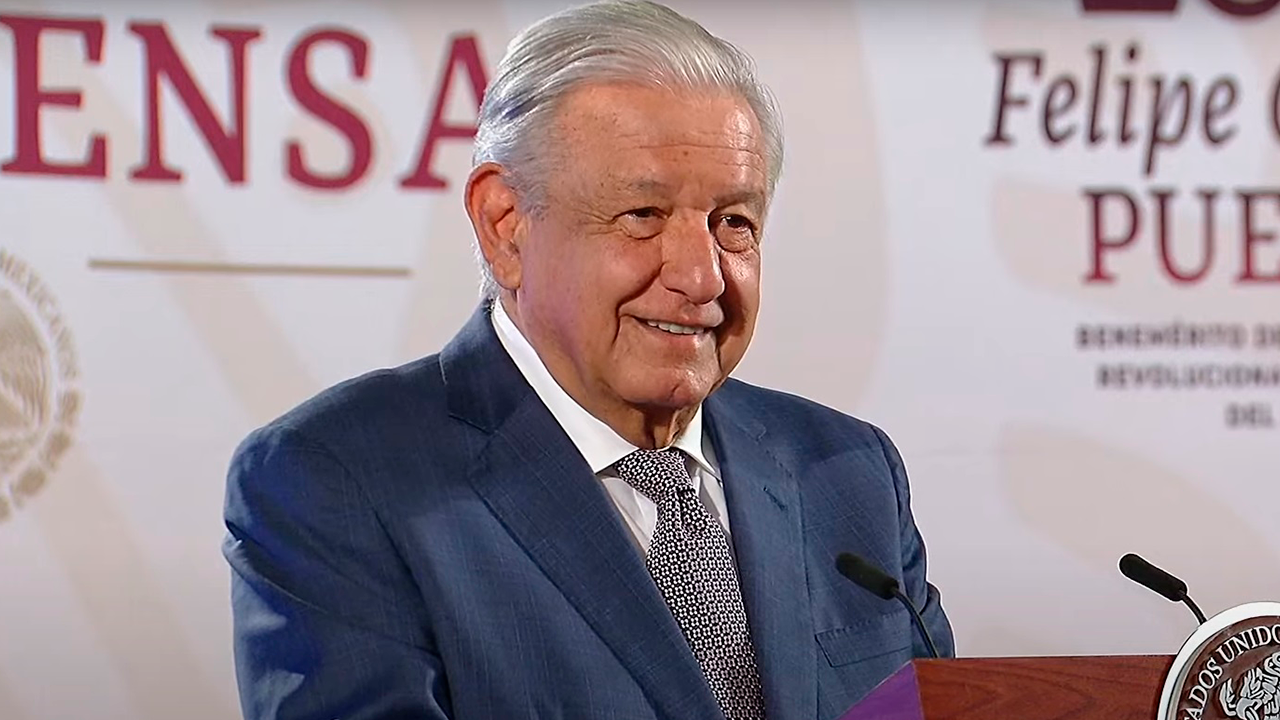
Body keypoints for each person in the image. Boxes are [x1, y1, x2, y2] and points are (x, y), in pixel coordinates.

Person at [222, 1, 954, 719]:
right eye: (643, 216)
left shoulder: (848, 473)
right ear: (505, 225)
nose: (702, 277)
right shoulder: (336, 481)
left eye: (733, 222)